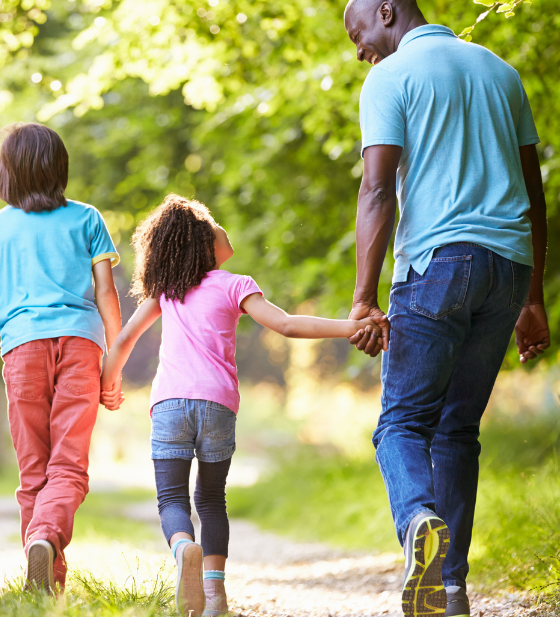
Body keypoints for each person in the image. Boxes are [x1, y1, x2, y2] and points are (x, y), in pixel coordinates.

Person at [342, 0, 551, 615]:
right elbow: (534, 194)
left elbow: (377, 192)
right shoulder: (499, 70)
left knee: (400, 424)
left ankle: (417, 525)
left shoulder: (391, 78)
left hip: (438, 265)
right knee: (457, 427)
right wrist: (534, 295)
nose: (359, 53)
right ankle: (450, 589)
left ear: (387, 10)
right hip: (509, 269)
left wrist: (362, 297)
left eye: (358, 35)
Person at [99, 195, 382, 617]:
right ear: (203, 241)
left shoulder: (166, 294)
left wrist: (109, 383)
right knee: (212, 499)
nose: (221, 228)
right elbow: (286, 324)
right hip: (217, 404)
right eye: (212, 224)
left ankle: (182, 549)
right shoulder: (235, 284)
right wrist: (352, 327)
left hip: (171, 404)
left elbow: (122, 341)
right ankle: (214, 595)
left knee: (171, 498)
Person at [0, 122, 122, 593]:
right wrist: (114, 364)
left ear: (6, 173)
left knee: (35, 467)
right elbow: (107, 294)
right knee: (69, 466)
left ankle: (42, 570)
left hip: (22, 350)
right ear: (61, 168)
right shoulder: (87, 218)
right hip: (80, 345)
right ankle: (45, 550)